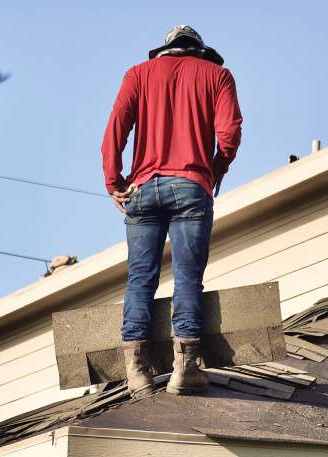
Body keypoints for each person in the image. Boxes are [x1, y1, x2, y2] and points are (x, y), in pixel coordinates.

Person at [102, 25, 242, 397]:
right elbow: (229, 134)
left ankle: (136, 372)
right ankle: (185, 369)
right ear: (199, 51)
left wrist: (113, 182)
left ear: (165, 50)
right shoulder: (218, 75)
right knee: (187, 277)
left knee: (140, 279)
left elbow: (116, 127)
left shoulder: (137, 74)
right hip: (191, 186)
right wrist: (214, 170)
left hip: (143, 189)